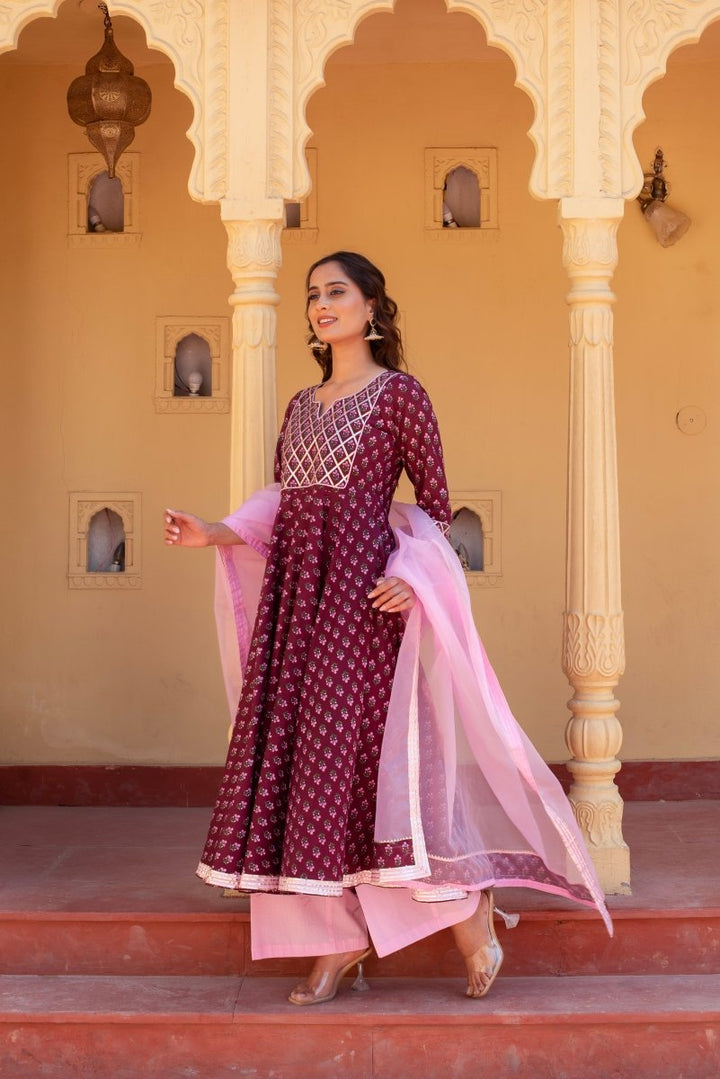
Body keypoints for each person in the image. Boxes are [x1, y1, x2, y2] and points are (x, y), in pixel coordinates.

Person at [164, 251, 611, 1006]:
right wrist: (216, 531)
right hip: (296, 611)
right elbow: (285, 502)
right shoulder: (302, 405)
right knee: (305, 769)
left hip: (363, 610)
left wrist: (414, 576)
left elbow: (436, 509)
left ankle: (469, 914)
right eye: (313, 294)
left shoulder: (401, 396)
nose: (321, 304)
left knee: (372, 770)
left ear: (371, 306)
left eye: (336, 291)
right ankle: (338, 939)